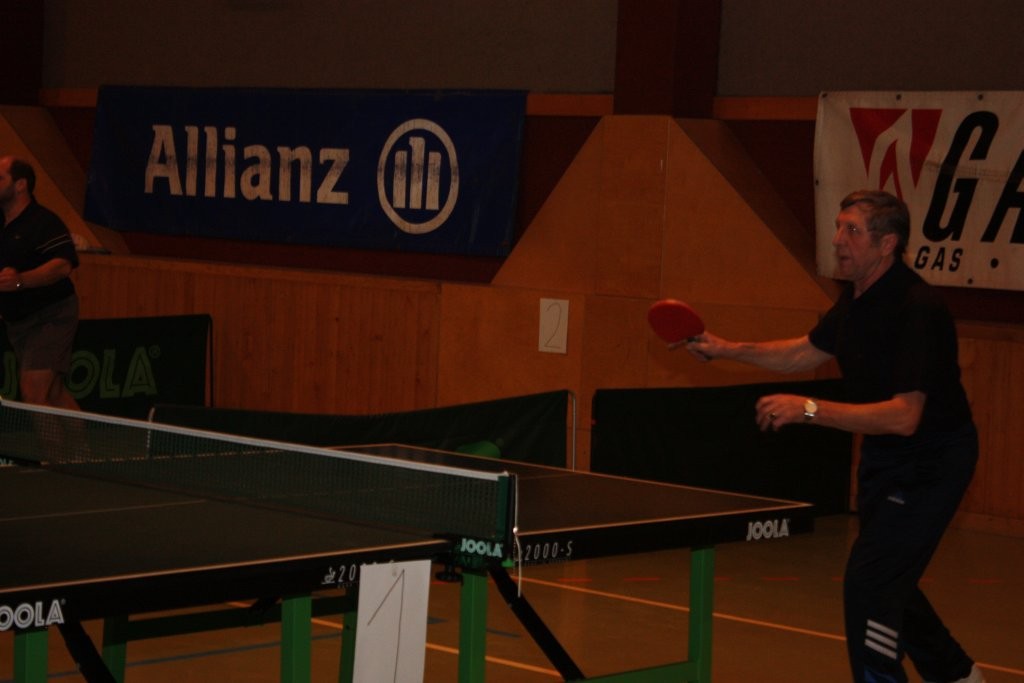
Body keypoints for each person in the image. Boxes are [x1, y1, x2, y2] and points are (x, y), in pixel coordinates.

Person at [677, 190, 984, 683]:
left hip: (932, 463)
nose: (838, 240)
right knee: (891, 577)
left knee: (870, 581)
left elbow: (905, 416)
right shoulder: (856, 298)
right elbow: (803, 352)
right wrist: (726, 348)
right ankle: (956, 675)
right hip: (884, 458)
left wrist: (809, 409)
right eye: (839, 227)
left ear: (887, 244)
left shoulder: (917, 307)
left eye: (852, 230)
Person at [0, 155, 81, 409]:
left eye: (0, 178)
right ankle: (87, 439)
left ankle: (52, 444)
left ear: (20, 185)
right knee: (54, 394)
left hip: (51, 315)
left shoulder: (43, 222)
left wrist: (21, 281)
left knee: (33, 393)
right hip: (17, 322)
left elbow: (63, 265)